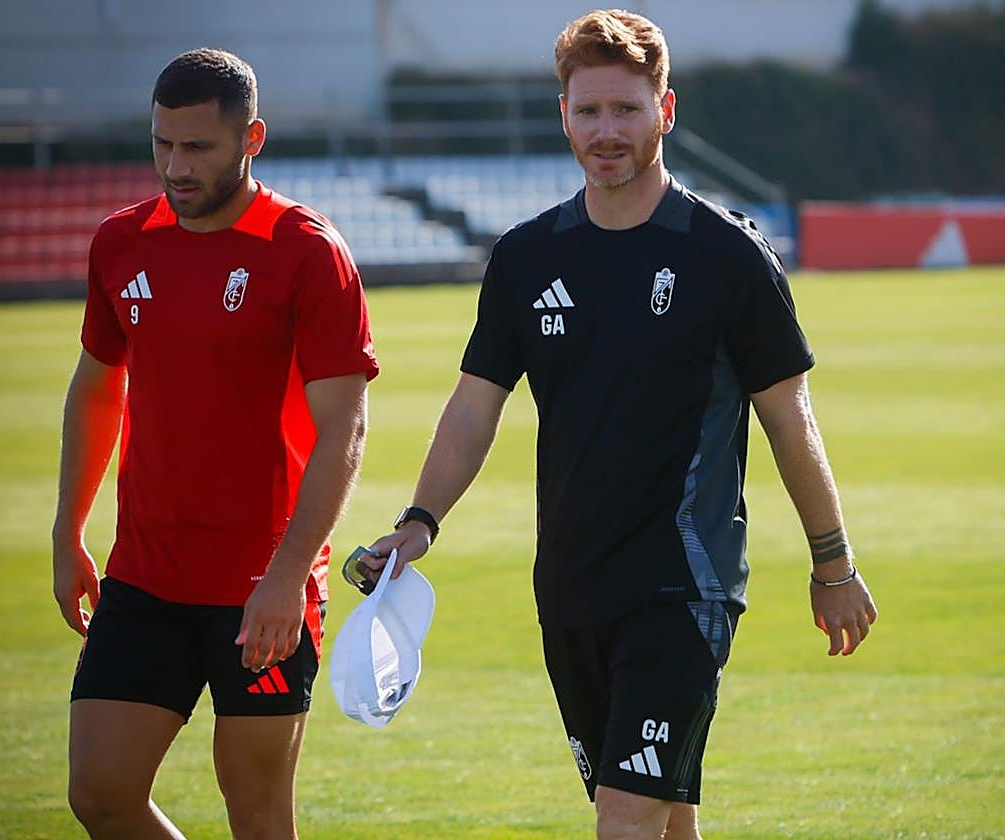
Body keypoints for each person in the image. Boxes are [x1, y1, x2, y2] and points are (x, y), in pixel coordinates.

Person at [363, 9, 877, 840]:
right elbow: (473, 405)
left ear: (664, 112)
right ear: (562, 114)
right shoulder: (528, 258)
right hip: (569, 587)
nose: (607, 130)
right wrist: (418, 524)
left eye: (627, 110)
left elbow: (791, 420)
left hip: (684, 585)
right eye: (589, 111)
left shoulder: (727, 256)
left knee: (625, 823)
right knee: (667, 821)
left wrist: (833, 563)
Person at [51, 48, 378, 839]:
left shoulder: (306, 251)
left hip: (261, 588)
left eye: (197, 147)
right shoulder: (121, 243)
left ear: (251, 139)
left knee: (258, 816)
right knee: (99, 793)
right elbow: (98, 384)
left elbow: (345, 427)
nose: (175, 165)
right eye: (162, 143)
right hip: (145, 574)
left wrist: (288, 576)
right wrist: (68, 530)